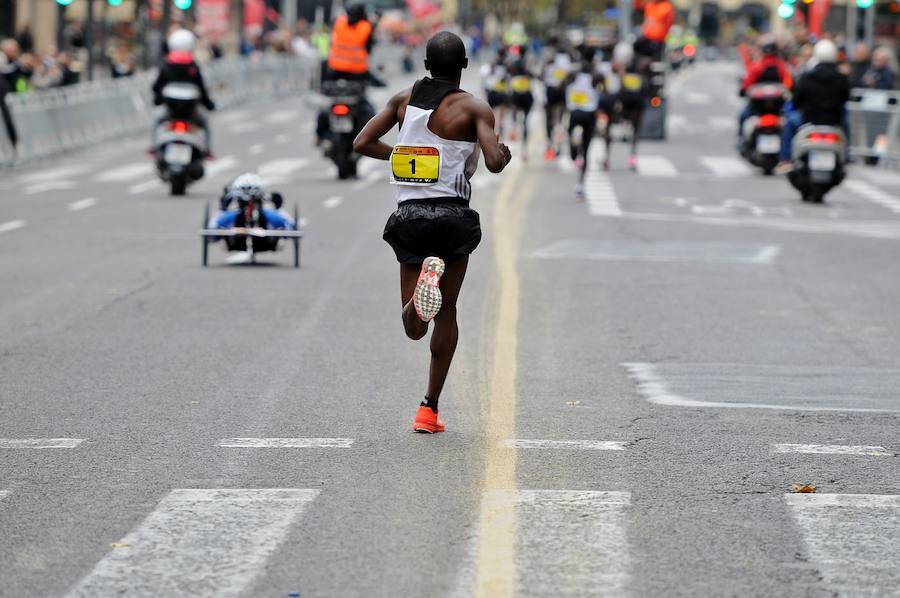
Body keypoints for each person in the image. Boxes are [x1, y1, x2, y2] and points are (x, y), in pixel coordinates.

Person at [352, 31, 511, 434]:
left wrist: (406, 155)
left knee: (414, 326)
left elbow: (362, 142)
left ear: (425, 66)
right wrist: (501, 153)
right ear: (464, 67)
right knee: (448, 311)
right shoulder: (476, 108)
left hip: (411, 216)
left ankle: (421, 291)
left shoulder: (402, 100)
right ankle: (429, 409)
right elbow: (493, 162)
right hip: (454, 217)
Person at [777, 40, 850, 171]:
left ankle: (785, 158)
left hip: (809, 120)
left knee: (789, 125)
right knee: (846, 125)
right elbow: (845, 98)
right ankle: (847, 155)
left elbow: (797, 100)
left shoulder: (807, 76)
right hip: (834, 121)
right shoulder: (841, 78)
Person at [152, 29, 216, 157]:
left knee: (157, 122)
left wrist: (157, 100)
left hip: (171, 112)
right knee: (205, 123)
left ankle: (153, 148)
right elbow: (202, 89)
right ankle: (207, 151)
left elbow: (157, 86)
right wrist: (209, 105)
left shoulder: (167, 66)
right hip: (190, 113)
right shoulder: (192, 67)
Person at [738, 38, 792, 147]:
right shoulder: (781, 67)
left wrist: (743, 91)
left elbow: (747, 84)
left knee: (743, 116)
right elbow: (789, 83)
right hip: (777, 109)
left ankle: (741, 142)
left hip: (760, 109)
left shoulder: (757, 66)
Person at [541, 37, 572, 160]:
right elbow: (570, 75)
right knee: (559, 119)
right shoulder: (566, 58)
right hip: (562, 91)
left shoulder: (547, 56)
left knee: (549, 119)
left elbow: (541, 74)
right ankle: (557, 146)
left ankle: (550, 145)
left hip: (551, 90)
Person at [507, 58, 533, 149]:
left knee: (514, 112)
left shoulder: (513, 76)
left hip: (518, 97)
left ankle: (514, 127)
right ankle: (524, 143)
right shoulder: (527, 75)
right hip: (526, 98)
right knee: (525, 122)